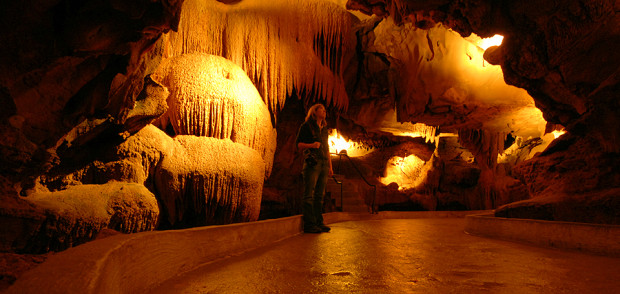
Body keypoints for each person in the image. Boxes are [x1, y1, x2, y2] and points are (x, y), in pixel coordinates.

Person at [295, 103, 333, 233]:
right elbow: (299, 144)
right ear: (314, 112)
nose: (324, 111)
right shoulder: (306, 126)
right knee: (309, 194)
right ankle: (309, 224)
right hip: (312, 163)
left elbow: (327, 148)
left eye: (324, 109)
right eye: (321, 109)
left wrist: (330, 166)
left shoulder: (324, 129)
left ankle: (319, 222)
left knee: (319, 195)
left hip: (323, 163)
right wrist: (312, 145)